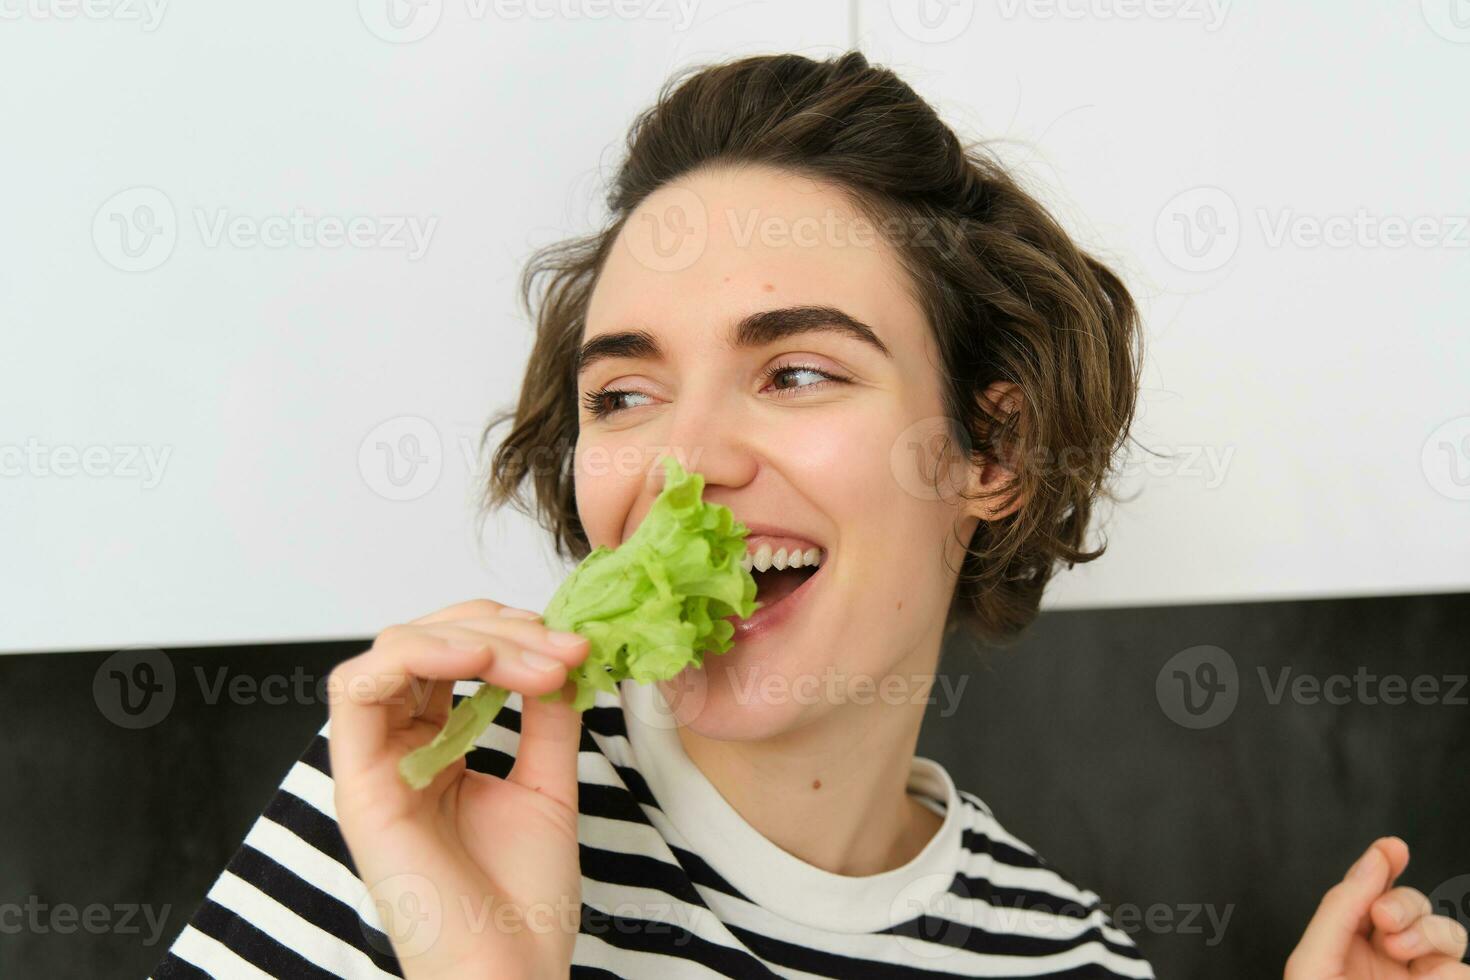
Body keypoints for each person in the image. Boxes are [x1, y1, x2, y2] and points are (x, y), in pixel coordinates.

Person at [152, 51, 1468, 979]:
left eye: (794, 372)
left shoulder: (1068, 958)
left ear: (987, 450)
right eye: (622, 392)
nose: (684, 461)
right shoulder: (419, 802)